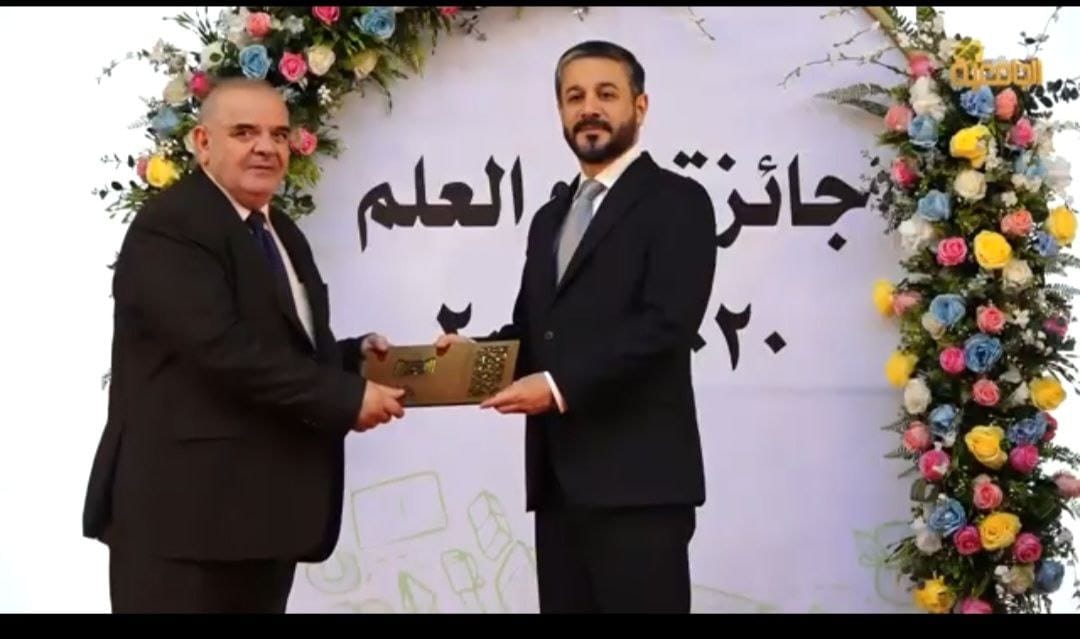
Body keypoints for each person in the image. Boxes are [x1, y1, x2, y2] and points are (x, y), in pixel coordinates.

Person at [82, 78, 407, 614]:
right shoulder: (173, 225)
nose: (266, 147)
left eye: (279, 135)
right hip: (181, 523)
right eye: (244, 132)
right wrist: (345, 398)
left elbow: (280, 342)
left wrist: (353, 359)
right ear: (202, 143)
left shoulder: (280, 229)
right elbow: (222, 351)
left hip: (257, 520)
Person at [436, 40, 717, 613]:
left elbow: (667, 325)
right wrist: (470, 358)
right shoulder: (550, 218)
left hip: (641, 489)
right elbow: (534, 332)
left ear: (640, 106)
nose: (589, 108)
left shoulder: (678, 201)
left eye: (606, 94)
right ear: (561, 111)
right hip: (559, 487)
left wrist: (557, 386)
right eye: (574, 97)